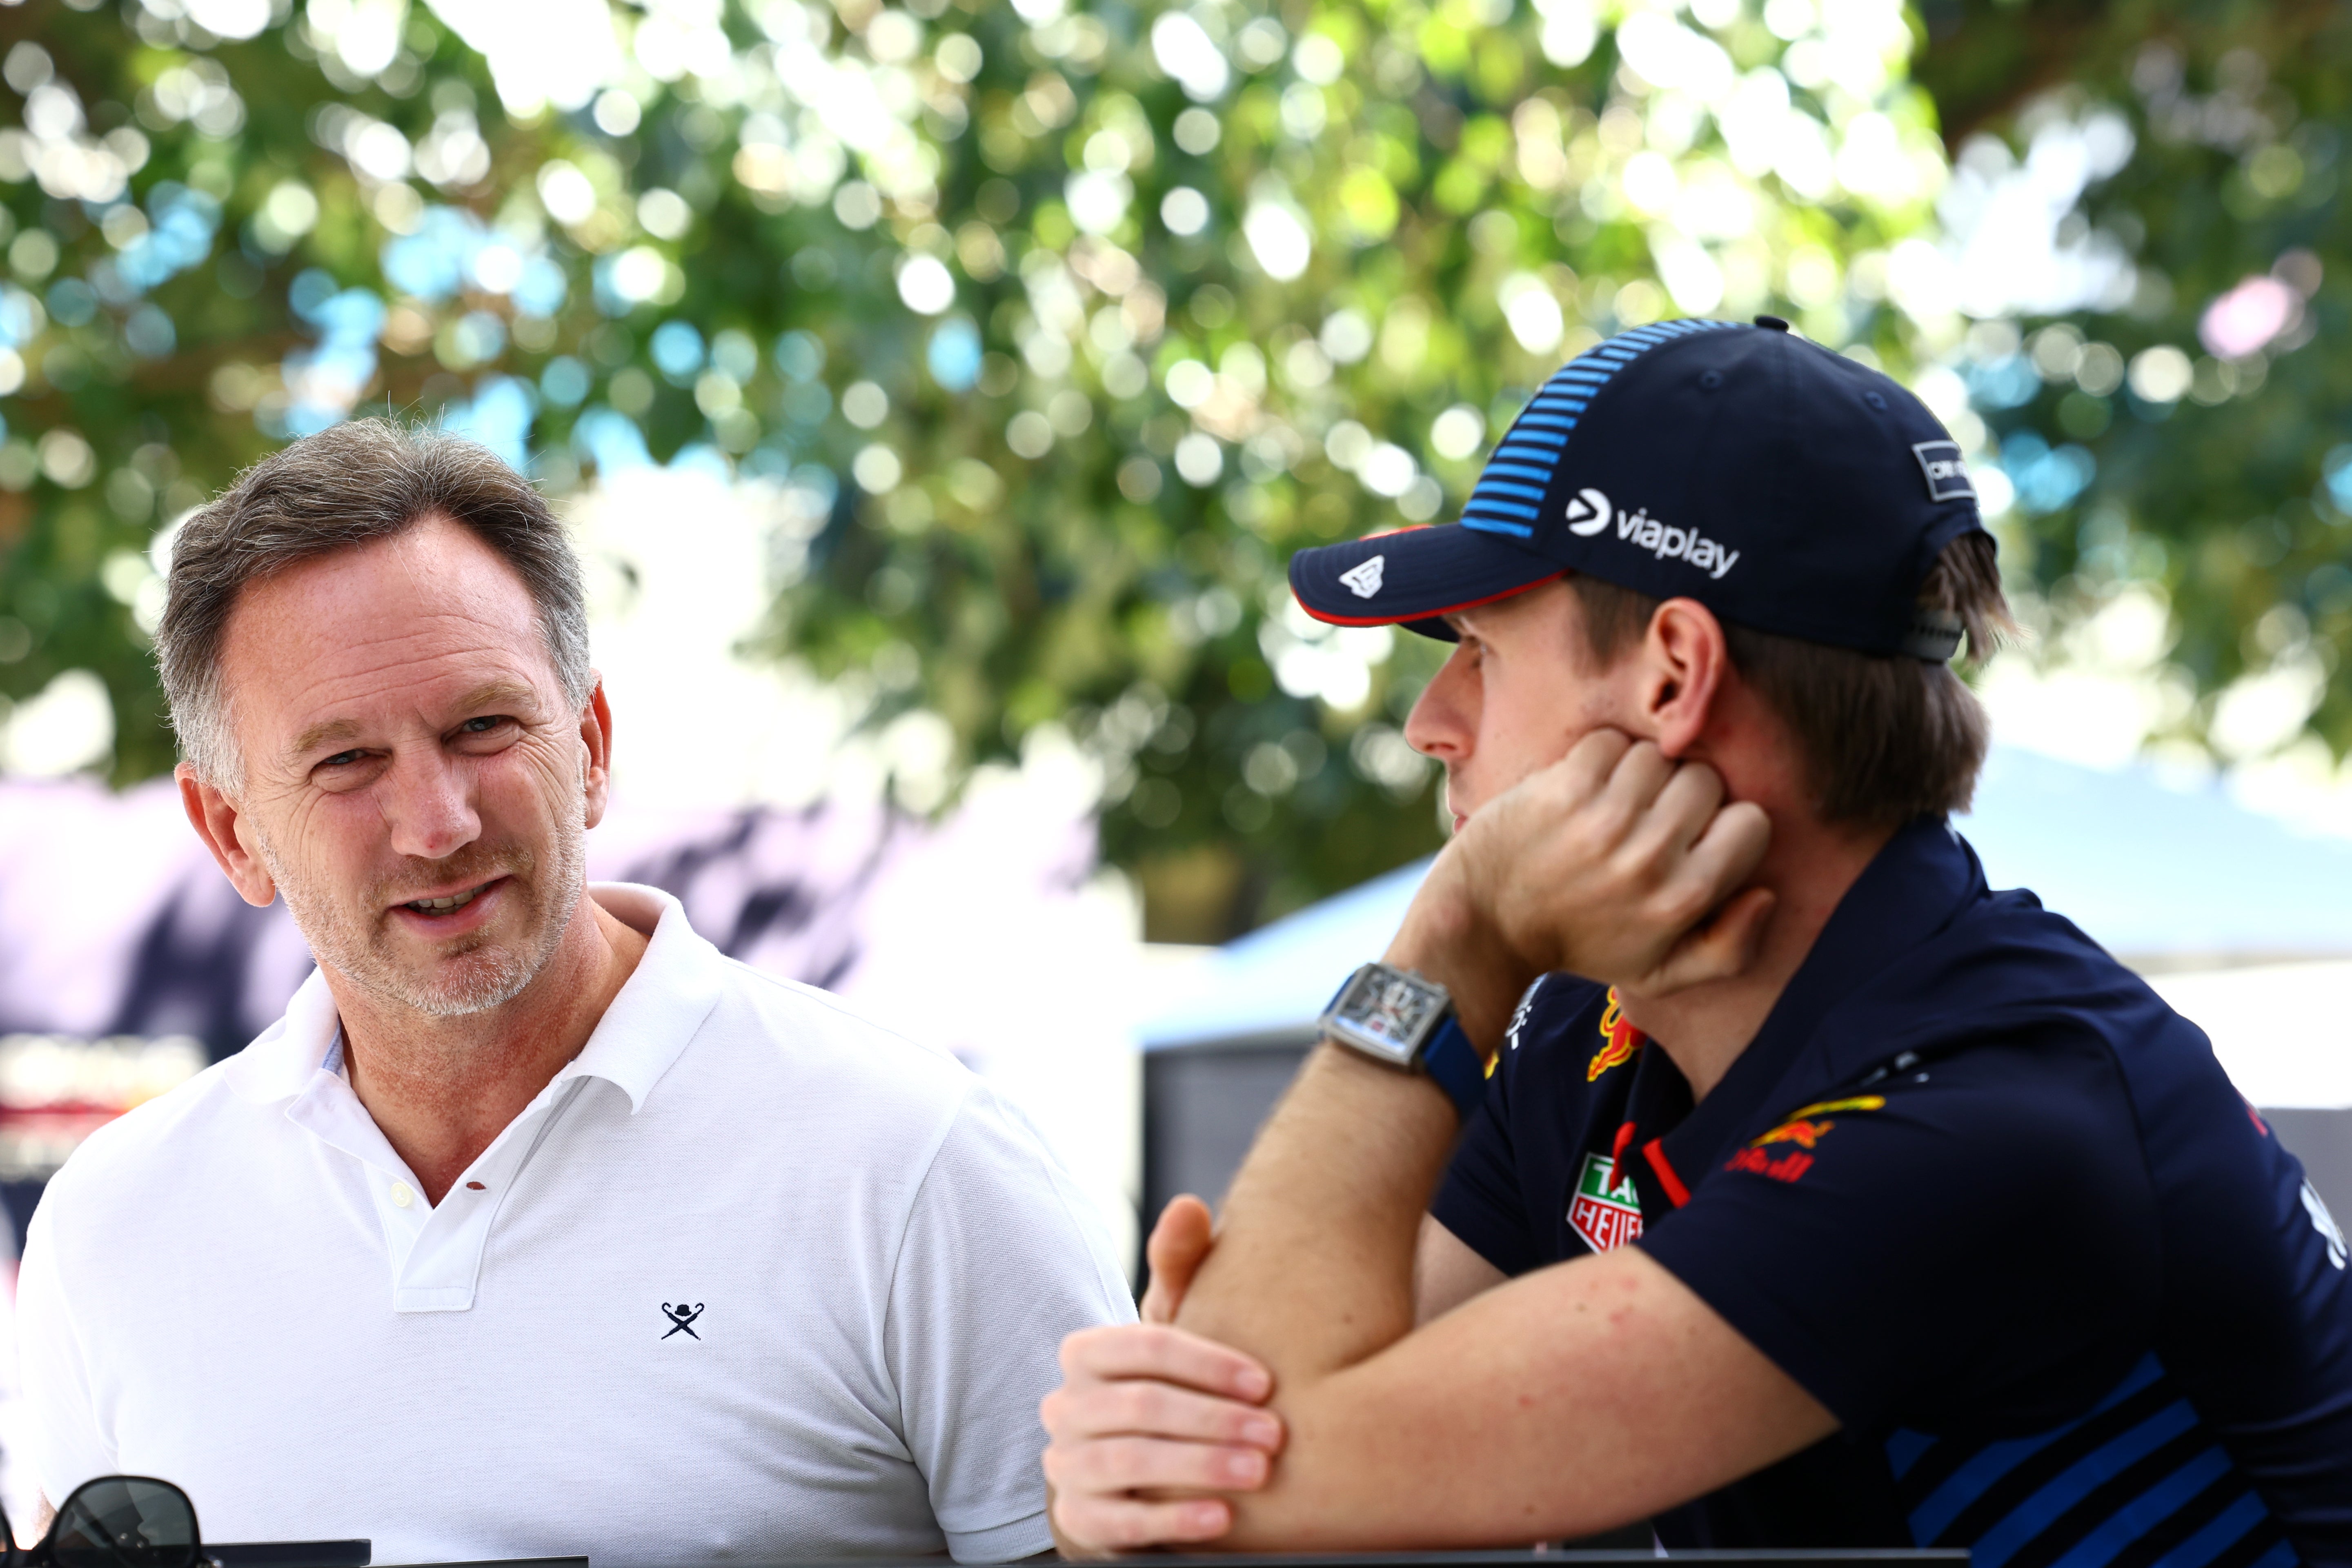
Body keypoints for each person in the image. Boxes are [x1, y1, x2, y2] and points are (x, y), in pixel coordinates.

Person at [1041, 317, 2352, 1562]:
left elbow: (1213, 1488)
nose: (1428, 723)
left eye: (1482, 653)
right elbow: (1231, 1435)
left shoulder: (1991, 1115)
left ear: (1672, 674)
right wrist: (1148, 1440)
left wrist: (1456, 931)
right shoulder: (1590, 1037)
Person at [17, 420, 1133, 1564]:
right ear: (230, 829)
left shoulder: (920, 1170)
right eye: (346, 761)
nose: (438, 823)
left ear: (590, 745)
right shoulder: (115, 1225)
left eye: (483, 726)